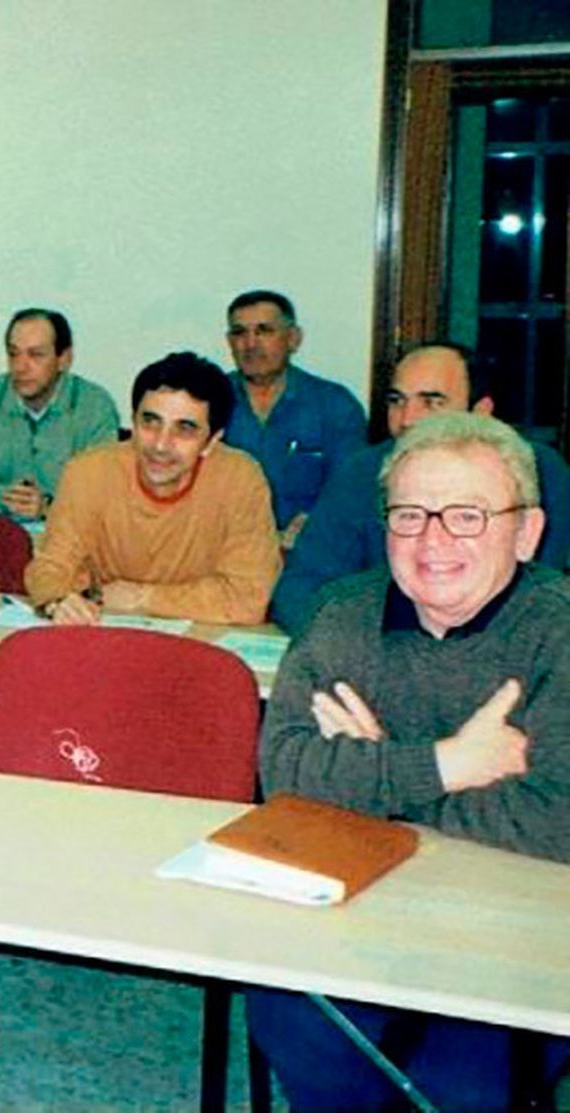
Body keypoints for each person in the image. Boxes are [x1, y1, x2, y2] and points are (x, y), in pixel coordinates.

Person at [249, 411, 570, 1111]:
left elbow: (559, 819)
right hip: (362, 908)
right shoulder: (340, 614)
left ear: (527, 531)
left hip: (519, 931)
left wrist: (375, 777)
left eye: (467, 516)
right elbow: (285, 772)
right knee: (295, 1023)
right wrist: (450, 764)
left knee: (464, 1085)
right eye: (410, 515)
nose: (433, 540)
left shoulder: (561, 632)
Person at [272, 342, 570, 633]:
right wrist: (371, 645)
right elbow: (299, 589)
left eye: (432, 402)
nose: (407, 419)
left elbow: (539, 595)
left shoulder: (534, 469)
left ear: (481, 411)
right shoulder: (360, 472)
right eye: (397, 401)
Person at [23, 351, 280, 625]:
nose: (161, 445)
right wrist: (58, 600)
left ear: (212, 441)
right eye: (150, 421)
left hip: (203, 637)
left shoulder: (241, 480)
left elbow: (248, 599)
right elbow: (50, 567)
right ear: (133, 422)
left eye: (185, 428)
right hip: (105, 629)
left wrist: (142, 598)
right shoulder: (88, 472)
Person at [220, 290, 367, 548]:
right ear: (229, 341)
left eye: (264, 331)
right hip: (225, 547)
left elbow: (350, 487)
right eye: (240, 333)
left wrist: (313, 522)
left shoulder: (335, 406)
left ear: (293, 339)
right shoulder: (208, 402)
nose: (250, 344)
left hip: (311, 548)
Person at [0, 307, 120, 521]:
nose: (20, 367)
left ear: (64, 359)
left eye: (36, 355)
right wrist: (4, 499)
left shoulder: (94, 406)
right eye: (13, 353)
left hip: (65, 533)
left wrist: (48, 507)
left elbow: (101, 495)